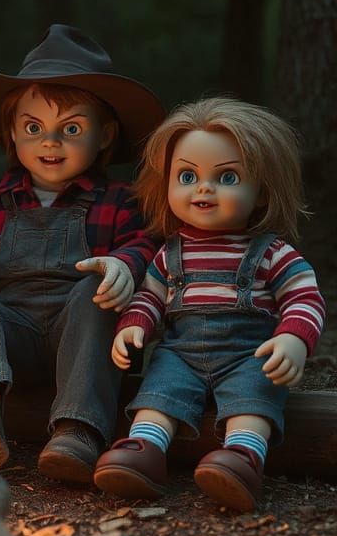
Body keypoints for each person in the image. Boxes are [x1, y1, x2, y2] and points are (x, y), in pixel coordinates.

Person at [0, 24, 164, 484]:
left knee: (96, 293)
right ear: (13, 133)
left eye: (71, 129)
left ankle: (78, 429)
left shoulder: (119, 201)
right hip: (11, 340)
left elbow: (147, 244)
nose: (50, 142)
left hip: (81, 342)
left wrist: (125, 264)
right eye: (34, 128)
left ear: (104, 135)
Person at [93, 97, 325, 511]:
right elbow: (150, 295)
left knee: (254, 397)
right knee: (158, 394)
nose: (203, 188)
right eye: (187, 176)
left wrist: (293, 339)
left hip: (249, 354)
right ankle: (144, 449)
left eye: (227, 177)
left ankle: (243, 456)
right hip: (180, 353)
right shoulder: (169, 252)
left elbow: (304, 297)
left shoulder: (271, 252)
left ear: (262, 192)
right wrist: (135, 324)